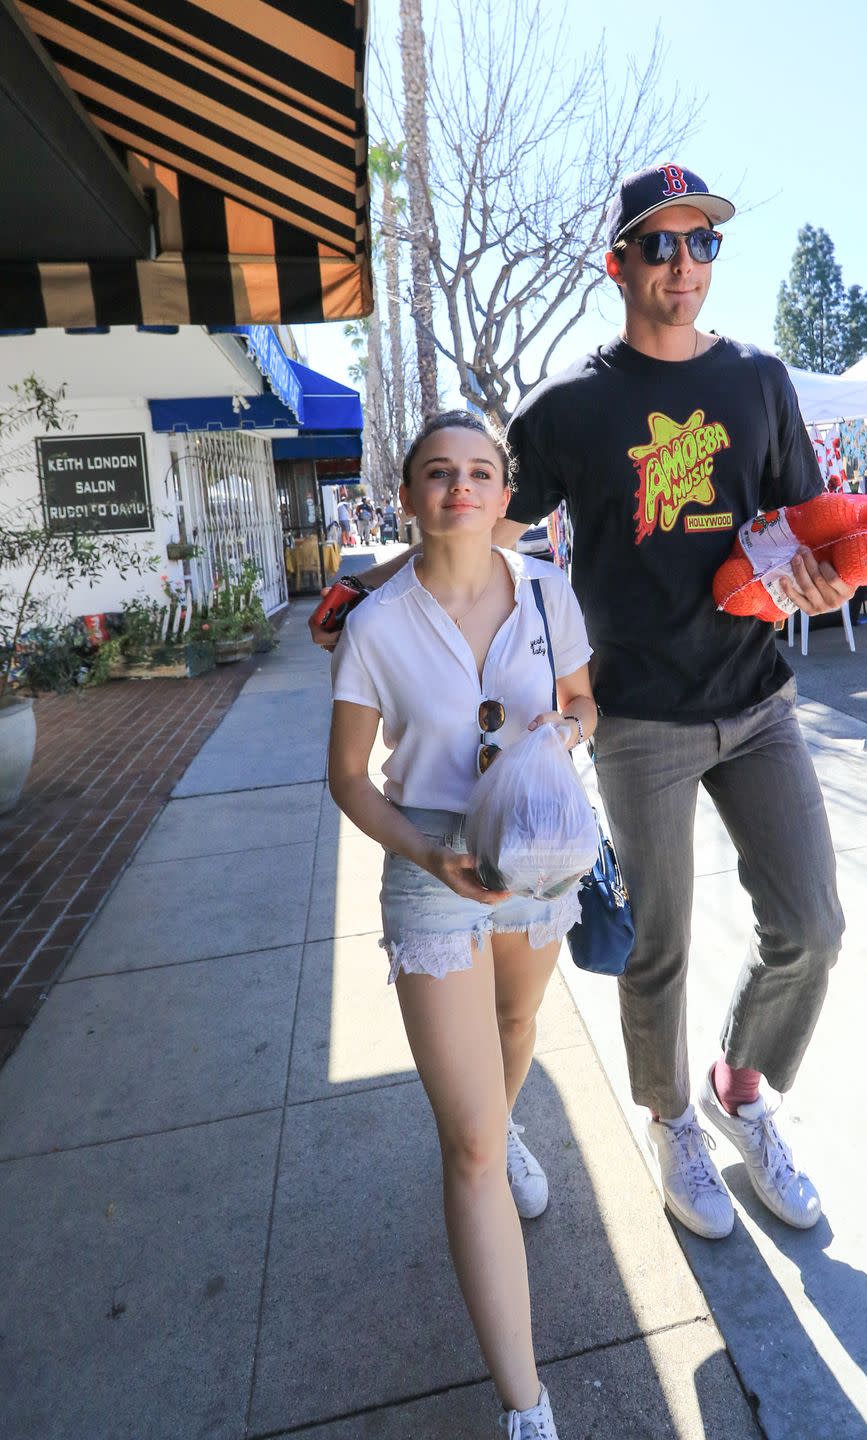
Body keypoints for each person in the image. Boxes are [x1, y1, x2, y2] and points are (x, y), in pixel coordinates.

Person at [311, 164, 853, 1246]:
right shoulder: (570, 410)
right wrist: (371, 593)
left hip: (755, 697)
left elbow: (807, 524)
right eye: (660, 246)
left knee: (812, 925)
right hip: (638, 715)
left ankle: (741, 1089)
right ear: (619, 264)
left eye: (702, 245)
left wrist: (833, 576)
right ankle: (671, 1123)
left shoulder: (759, 382)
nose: (684, 265)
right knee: (657, 942)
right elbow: (479, 522)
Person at [327, 410, 595, 1439]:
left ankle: (508, 1114)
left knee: (518, 1030)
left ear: (502, 492)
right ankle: (527, 1408)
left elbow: (583, 700)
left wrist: (562, 731)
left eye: (480, 472)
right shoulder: (378, 625)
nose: (461, 488)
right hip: (436, 861)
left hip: (535, 844)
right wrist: (423, 851)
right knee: (471, 1147)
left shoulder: (548, 592)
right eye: (438, 473)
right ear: (408, 496)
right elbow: (349, 777)